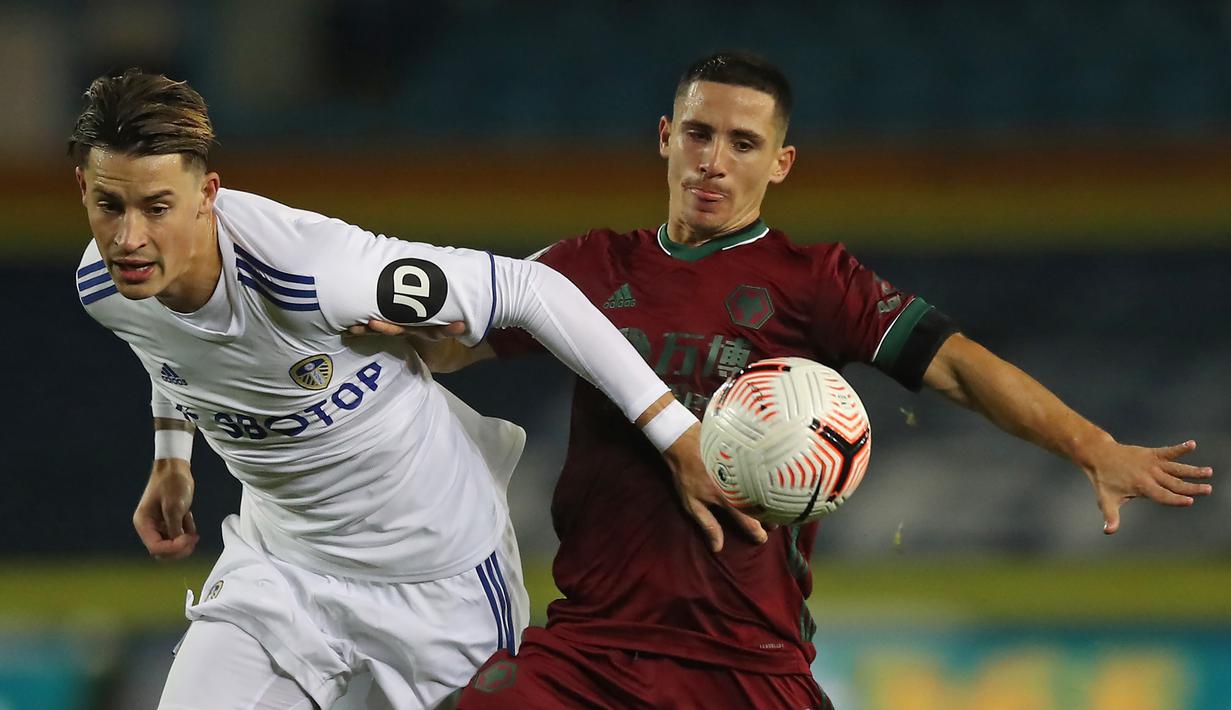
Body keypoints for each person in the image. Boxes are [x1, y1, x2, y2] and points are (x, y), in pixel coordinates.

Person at [354, 51, 1215, 708]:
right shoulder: (585, 266)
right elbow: (455, 347)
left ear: (781, 163)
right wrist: (392, 333)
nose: (713, 161)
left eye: (742, 143)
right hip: (590, 652)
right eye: (698, 134)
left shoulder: (812, 281)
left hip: (745, 662)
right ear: (665, 138)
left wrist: (1091, 446)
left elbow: (953, 365)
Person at [70, 69, 765, 710]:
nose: (130, 238)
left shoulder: (316, 273)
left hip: (441, 576)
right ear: (84, 189)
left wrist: (676, 433)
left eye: (157, 207)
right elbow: (168, 346)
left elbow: (531, 288)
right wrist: (171, 457)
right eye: (110, 205)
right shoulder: (104, 285)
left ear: (207, 195)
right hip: (283, 569)